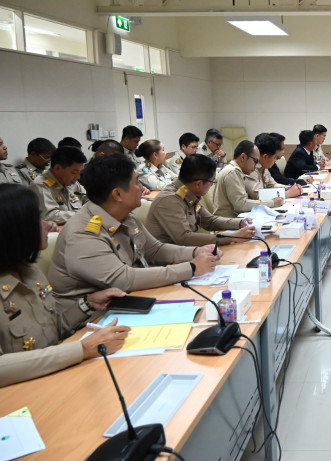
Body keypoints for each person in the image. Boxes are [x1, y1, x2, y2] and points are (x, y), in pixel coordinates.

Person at [48, 154, 219, 322]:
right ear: (118, 194)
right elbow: (124, 279)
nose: (142, 188)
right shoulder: (83, 234)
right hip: (94, 321)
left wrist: (196, 252)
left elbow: (155, 250)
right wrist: (191, 268)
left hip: (131, 302)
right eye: (137, 183)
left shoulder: (125, 216)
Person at [0, 184, 131, 388]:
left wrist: (87, 304)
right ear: (15, 230)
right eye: (38, 219)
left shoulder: (28, 270)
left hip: (58, 375)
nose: (48, 225)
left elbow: (52, 329)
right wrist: (82, 349)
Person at [146, 154, 256, 246]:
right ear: (198, 183)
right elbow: (185, 239)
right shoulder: (170, 201)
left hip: (187, 253)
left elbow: (209, 221)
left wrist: (240, 223)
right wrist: (232, 237)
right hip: (170, 260)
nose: (212, 185)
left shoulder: (189, 191)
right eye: (212, 182)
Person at [214, 140, 282, 217]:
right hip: (227, 221)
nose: (256, 166)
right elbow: (241, 205)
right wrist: (272, 203)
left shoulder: (237, 171)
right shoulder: (232, 172)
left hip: (237, 218)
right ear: (243, 157)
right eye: (255, 161)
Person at [31, 146, 87, 224]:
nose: (78, 177)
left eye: (80, 172)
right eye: (74, 172)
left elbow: (90, 199)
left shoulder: (72, 182)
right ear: (57, 168)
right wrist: (83, 214)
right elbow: (49, 216)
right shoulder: (40, 185)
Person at [247, 136, 303, 201]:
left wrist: (289, 188)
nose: (275, 161)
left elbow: (273, 185)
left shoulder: (264, 166)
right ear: (265, 157)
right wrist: (286, 194)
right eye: (275, 158)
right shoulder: (252, 168)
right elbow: (258, 195)